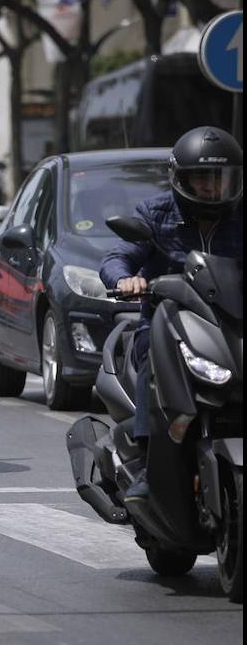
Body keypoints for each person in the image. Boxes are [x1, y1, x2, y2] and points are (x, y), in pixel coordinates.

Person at [99, 126, 243, 501]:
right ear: (181, 180)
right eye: (203, 179)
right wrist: (126, 279)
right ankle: (149, 464)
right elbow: (119, 256)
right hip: (170, 322)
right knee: (154, 365)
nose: (213, 188)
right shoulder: (156, 213)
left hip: (231, 325)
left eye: (221, 179)